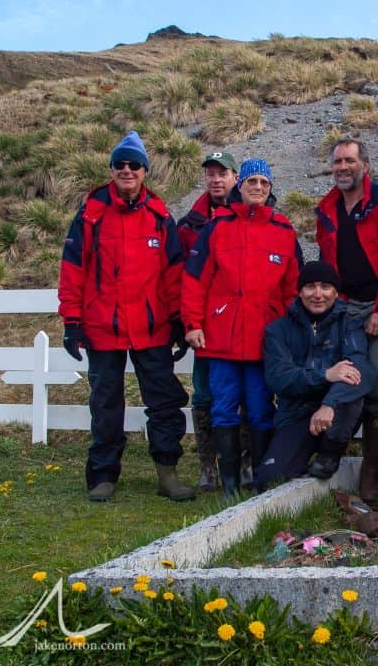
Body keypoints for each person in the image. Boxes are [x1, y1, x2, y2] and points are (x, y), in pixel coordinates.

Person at [59, 130, 193, 503]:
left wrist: (179, 319)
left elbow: (173, 272)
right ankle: (103, 475)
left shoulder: (159, 215)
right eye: (120, 164)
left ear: (145, 170)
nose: (127, 170)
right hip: (104, 327)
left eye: (135, 164)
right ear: (112, 169)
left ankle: (167, 473)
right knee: (105, 403)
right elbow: (72, 270)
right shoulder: (91, 213)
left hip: (152, 329)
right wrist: (71, 322)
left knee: (165, 402)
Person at [182, 158, 302, 499]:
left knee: (262, 407)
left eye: (264, 183)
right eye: (252, 182)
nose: (258, 188)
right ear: (241, 185)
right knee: (223, 406)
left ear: (271, 188)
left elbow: (292, 288)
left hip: (264, 337)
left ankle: (260, 479)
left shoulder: (283, 230)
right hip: (222, 336)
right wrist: (192, 323)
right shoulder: (217, 227)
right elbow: (194, 279)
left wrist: (290, 331)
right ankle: (230, 484)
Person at [315, 139, 378, 503]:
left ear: (365, 164)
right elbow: (326, 261)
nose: (343, 167)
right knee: (345, 372)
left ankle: (372, 471)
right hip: (344, 306)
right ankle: (336, 450)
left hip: (375, 305)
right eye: (337, 162)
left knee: (373, 380)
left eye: (350, 161)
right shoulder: (326, 208)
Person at [259, 261, 375, 488]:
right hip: (296, 413)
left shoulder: (350, 324)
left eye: (325, 287)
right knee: (269, 479)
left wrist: (329, 403)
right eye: (310, 287)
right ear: (300, 291)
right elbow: (279, 377)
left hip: (334, 414)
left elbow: (362, 370)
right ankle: (298, 458)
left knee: (352, 387)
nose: (318, 294)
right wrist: (325, 374)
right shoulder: (277, 330)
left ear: (335, 291)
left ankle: (329, 457)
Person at [177, 151, 238, 493]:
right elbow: (182, 277)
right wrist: (186, 322)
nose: (216, 179)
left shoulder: (253, 215)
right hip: (206, 326)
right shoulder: (189, 225)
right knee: (203, 394)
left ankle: (243, 462)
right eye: (210, 174)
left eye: (223, 173)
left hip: (243, 322)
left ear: (234, 177)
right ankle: (207, 467)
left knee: (244, 393)